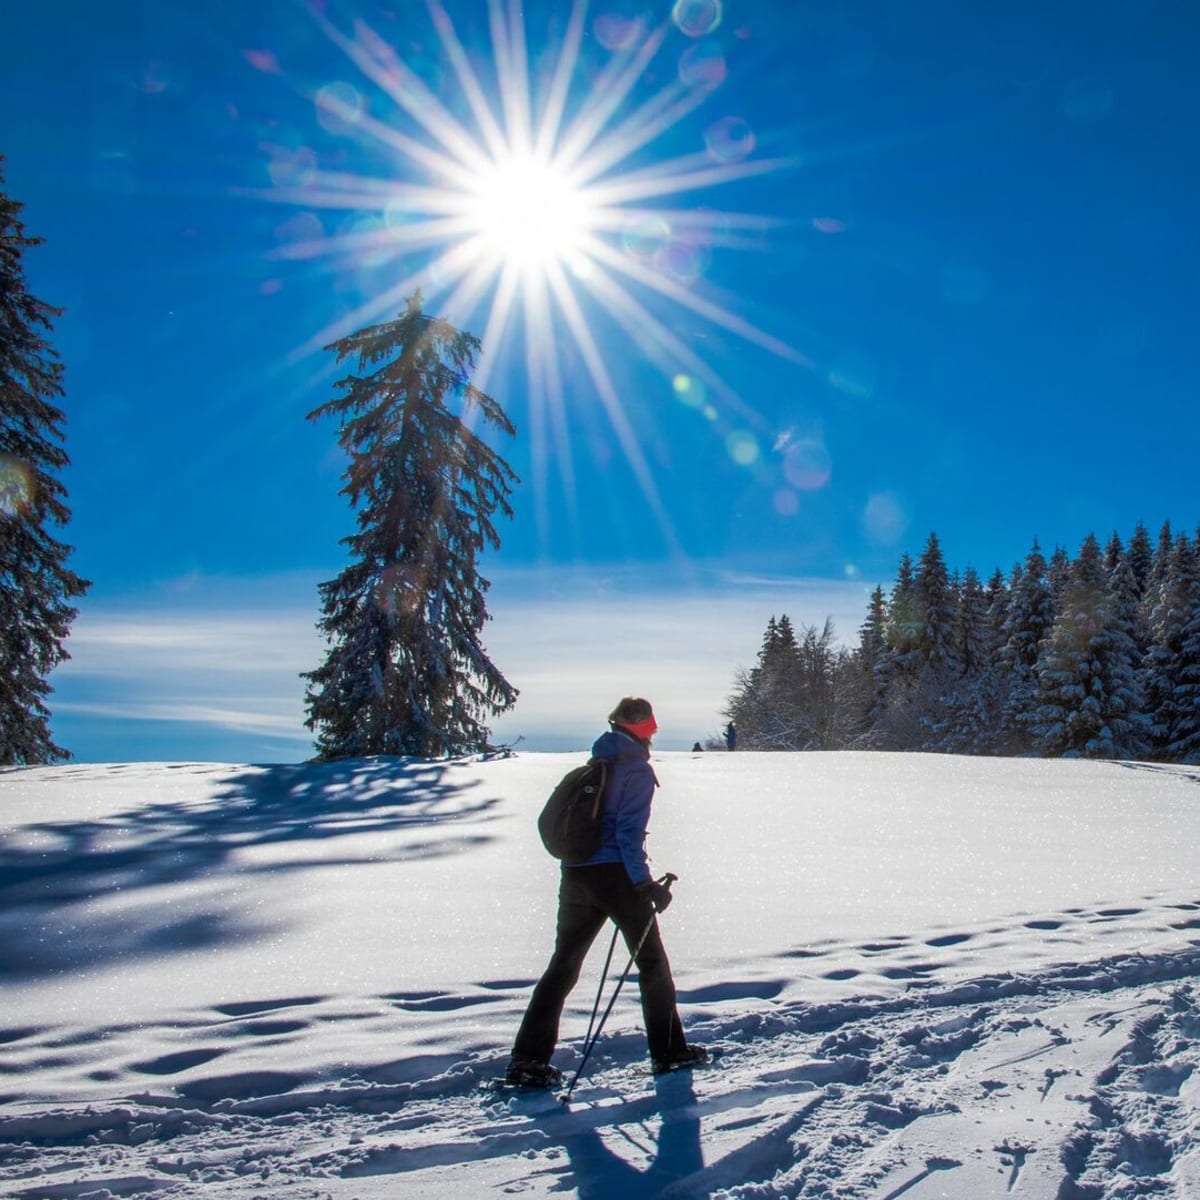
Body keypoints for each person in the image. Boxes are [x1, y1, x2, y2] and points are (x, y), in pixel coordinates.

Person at [506, 697, 706, 1088]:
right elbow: (628, 835)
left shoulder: (595, 764)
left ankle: (527, 1061)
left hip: (576, 874)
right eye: (650, 721)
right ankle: (669, 1052)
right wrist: (644, 884)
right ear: (644, 727)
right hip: (616, 877)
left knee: (563, 966)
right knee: (652, 964)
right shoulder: (637, 771)